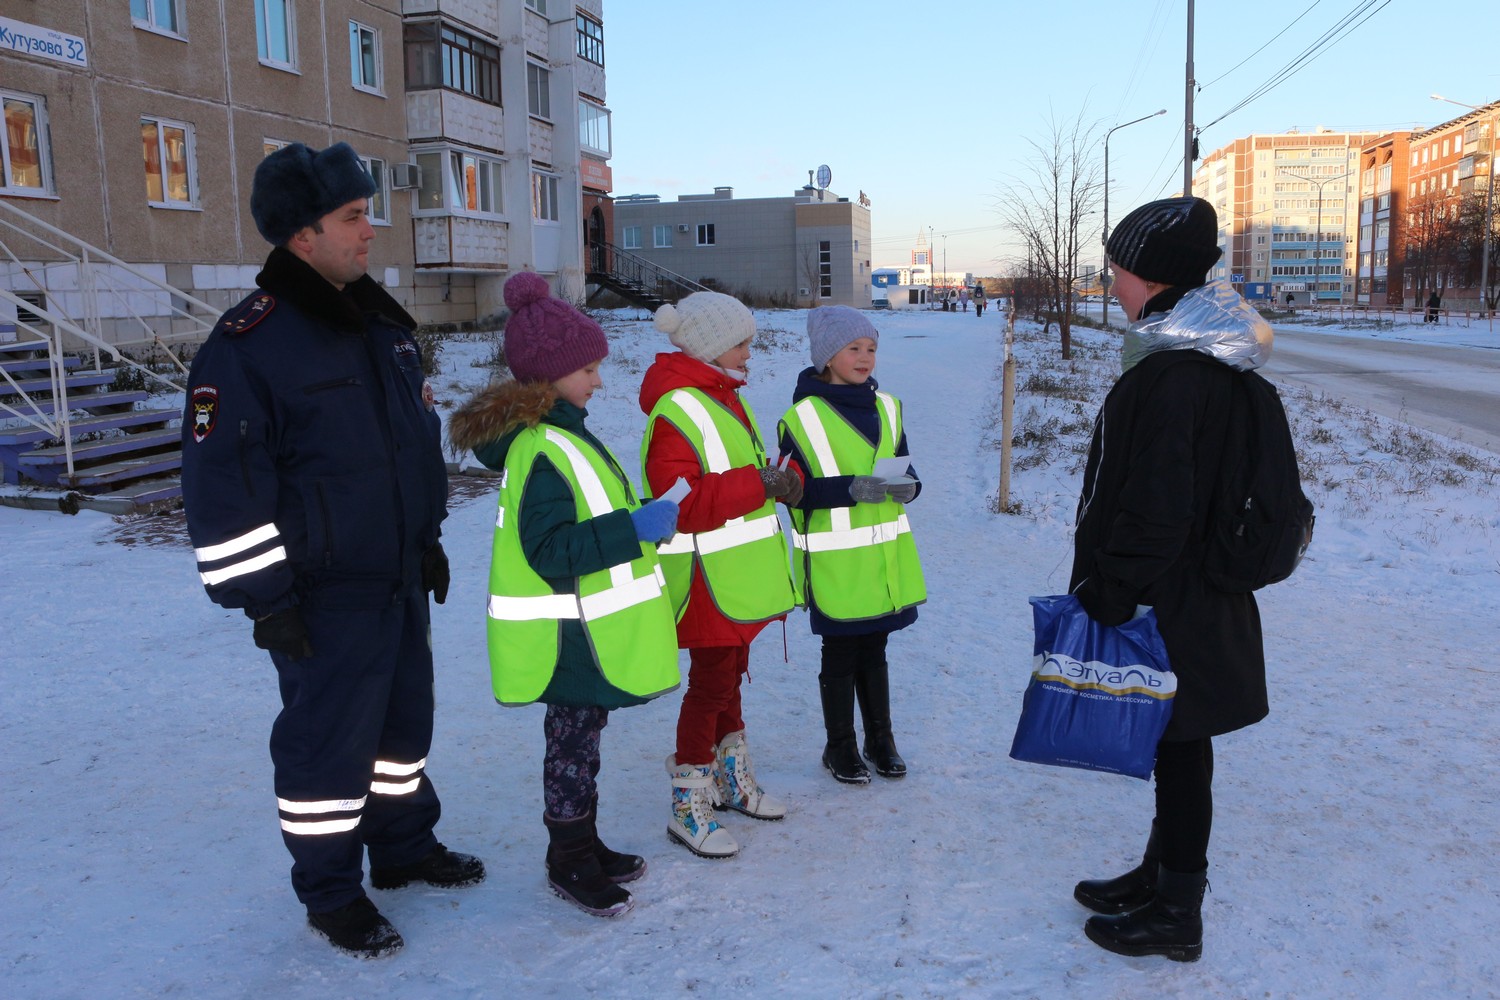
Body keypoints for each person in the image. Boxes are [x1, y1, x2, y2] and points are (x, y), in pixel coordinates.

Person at [180, 142, 483, 959]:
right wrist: (267, 600)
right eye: (353, 217)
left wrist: (425, 539)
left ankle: (405, 847)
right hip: (321, 598)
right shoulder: (249, 346)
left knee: (401, 733)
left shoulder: (380, 327)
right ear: (302, 235)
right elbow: (221, 487)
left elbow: (406, 447)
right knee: (328, 751)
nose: (370, 230)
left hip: (396, 580)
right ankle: (331, 893)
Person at [1068, 196, 1272, 963]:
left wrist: (1111, 589)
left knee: (1181, 749)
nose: (1111, 283)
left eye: (1116, 270)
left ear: (1150, 277)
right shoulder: (1206, 360)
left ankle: (1177, 912)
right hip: (1197, 591)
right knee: (1177, 743)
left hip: (1172, 596)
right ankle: (1161, 876)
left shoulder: (1174, 375)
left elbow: (1158, 504)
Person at [448, 272, 682, 918]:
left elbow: (588, 515)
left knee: (582, 743)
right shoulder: (544, 447)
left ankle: (584, 844)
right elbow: (550, 549)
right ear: (549, 378)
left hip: (585, 630)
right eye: (588, 369)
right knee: (572, 749)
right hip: (565, 636)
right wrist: (632, 530)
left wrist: (638, 518)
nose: (598, 381)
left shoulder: (566, 432)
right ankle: (569, 859)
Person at [639, 291, 801, 859]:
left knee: (728, 678)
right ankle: (688, 802)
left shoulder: (724, 396)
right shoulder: (679, 409)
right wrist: (760, 483)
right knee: (710, 687)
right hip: (705, 579)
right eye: (741, 343)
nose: (749, 352)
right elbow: (679, 504)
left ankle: (730, 779)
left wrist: (780, 479)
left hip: (735, 579)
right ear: (709, 346)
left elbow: (738, 473)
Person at [776, 306, 926, 784]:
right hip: (835, 567)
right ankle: (838, 745)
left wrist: (910, 487)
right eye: (854, 348)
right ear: (826, 356)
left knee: (875, 649)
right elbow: (791, 493)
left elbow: (903, 466)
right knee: (840, 654)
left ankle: (881, 741)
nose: (865, 357)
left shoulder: (889, 407)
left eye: (871, 348)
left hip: (882, 564)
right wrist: (850, 489)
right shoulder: (801, 419)